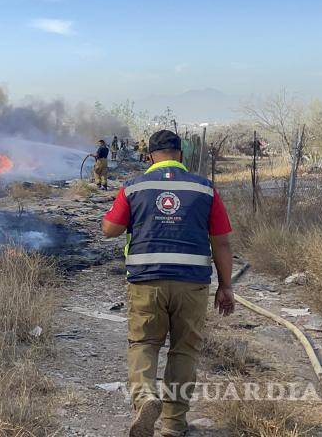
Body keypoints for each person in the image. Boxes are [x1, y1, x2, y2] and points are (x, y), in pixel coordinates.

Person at [101, 130, 234, 437]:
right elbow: (222, 243)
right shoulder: (205, 188)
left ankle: (146, 397)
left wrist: (113, 218)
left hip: (147, 282)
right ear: (181, 156)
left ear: (149, 157)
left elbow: (110, 229)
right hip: (192, 285)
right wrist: (226, 287)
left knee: (145, 343)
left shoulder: (134, 186)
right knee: (184, 350)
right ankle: (173, 426)